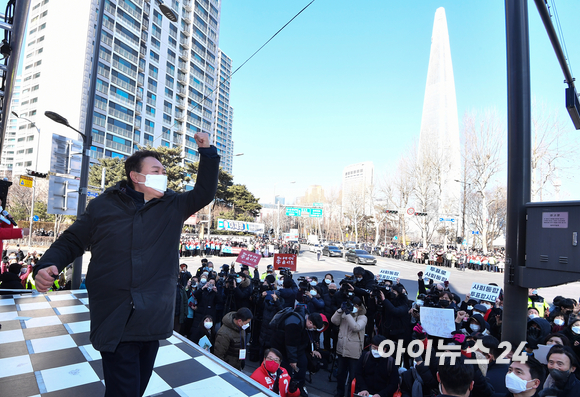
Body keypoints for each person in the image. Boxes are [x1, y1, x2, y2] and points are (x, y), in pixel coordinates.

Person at [32, 133, 219, 397]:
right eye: (156, 170)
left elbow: (204, 192)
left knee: (135, 388)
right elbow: (72, 240)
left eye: (164, 171)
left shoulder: (173, 205)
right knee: (125, 390)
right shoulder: (102, 206)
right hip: (115, 316)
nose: (163, 175)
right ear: (136, 176)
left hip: (152, 315)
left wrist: (207, 151)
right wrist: (49, 264)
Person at [332, 296, 367, 397]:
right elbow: (334, 321)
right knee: (340, 374)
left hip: (354, 352)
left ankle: (350, 394)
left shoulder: (363, 317)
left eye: (356, 306)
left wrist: (347, 314)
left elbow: (356, 327)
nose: (354, 307)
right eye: (353, 305)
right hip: (341, 349)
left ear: (360, 307)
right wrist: (340, 310)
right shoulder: (344, 314)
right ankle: (339, 393)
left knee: (353, 376)